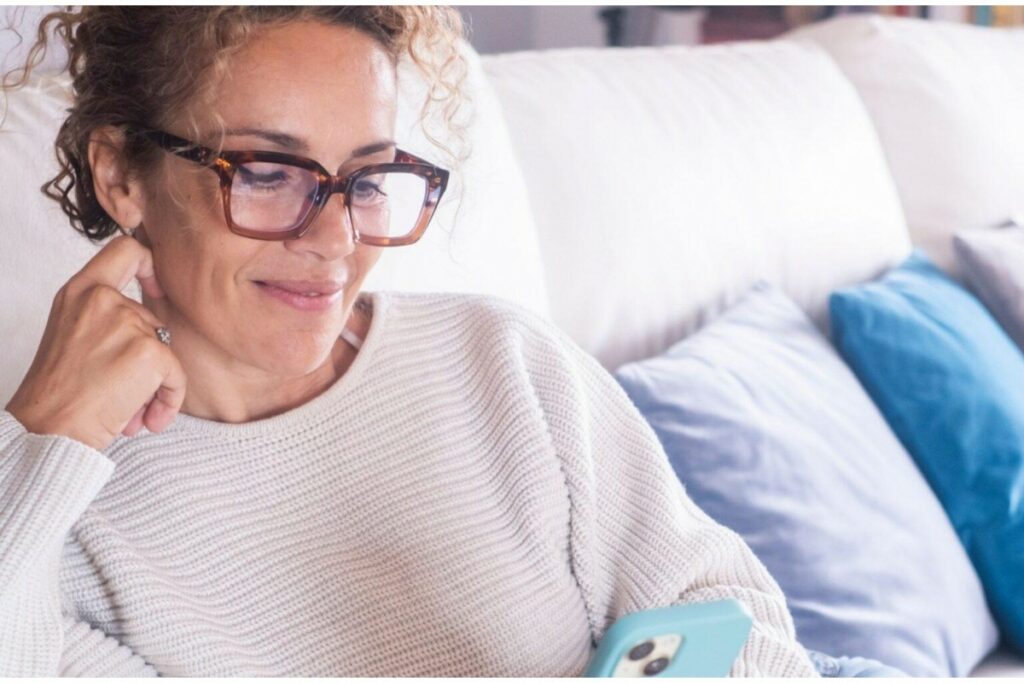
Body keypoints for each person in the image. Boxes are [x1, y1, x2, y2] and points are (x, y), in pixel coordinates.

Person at [0, 7, 821, 676]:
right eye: (266, 172)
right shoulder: (65, 523)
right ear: (120, 177)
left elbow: (736, 619)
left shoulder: (501, 360)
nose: (334, 239)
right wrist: (38, 438)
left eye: (365, 178)